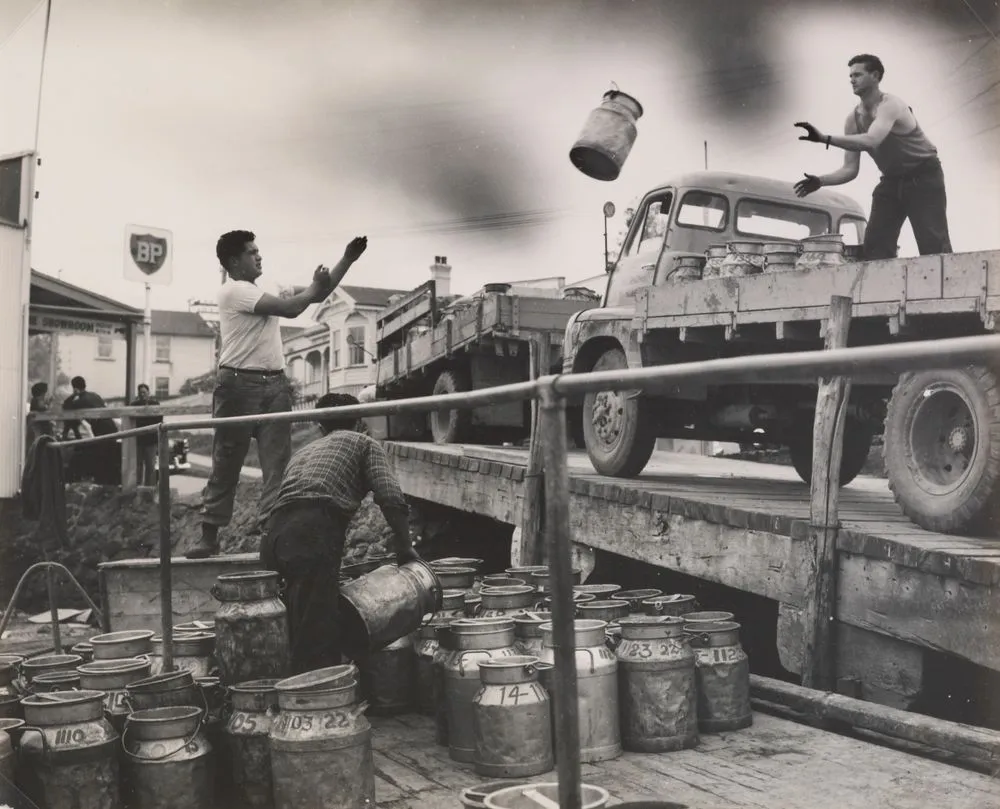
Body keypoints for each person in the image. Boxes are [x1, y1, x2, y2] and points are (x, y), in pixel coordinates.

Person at [189, 230, 369, 559]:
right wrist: (315, 286)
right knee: (227, 459)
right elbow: (292, 309)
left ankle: (271, 536)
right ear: (234, 262)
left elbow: (319, 293)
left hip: (275, 384)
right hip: (238, 386)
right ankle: (209, 534)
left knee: (277, 465)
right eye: (251, 252)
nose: (259, 256)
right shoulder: (233, 291)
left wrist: (347, 259)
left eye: (259, 250)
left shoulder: (263, 289)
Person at [260, 393, 421, 674]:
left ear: (320, 427)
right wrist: (405, 547)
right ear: (359, 422)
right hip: (312, 529)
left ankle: (284, 687)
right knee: (319, 626)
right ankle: (318, 702)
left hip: (274, 534)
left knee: (289, 618)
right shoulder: (364, 443)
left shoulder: (304, 452)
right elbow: (391, 497)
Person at [793, 53, 953, 260]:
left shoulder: (891, 105)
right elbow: (850, 169)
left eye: (857, 74)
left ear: (875, 76)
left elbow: (871, 140)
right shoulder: (853, 119)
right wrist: (821, 181)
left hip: (924, 176)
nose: (852, 80)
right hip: (892, 180)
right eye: (850, 76)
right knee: (875, 246)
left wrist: (825, 138)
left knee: (932, 243)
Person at [61, 376, 120, 484]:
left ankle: (102, 484)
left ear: (75, 388)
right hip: (111, 428)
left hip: (101, 430)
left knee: (101, 460)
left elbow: (66, 406)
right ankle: (110, 485)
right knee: (110, 459)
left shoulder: (80, 401)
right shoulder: (95, 395)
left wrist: (74, 395)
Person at [128, 383, 161, 486]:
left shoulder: (155, 404)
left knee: (150, 466)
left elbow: (159, 419)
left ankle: (150, 489)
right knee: (137, 466)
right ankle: (137, 489)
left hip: (151, 440)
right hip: (138, 440)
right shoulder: (134, 405)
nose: (142, 395)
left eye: (144, 392)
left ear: (148, 393)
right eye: (140, 393)